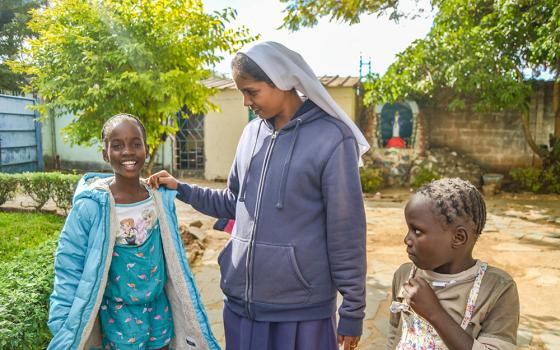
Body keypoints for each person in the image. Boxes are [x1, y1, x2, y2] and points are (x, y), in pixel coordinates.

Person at [149, 41, 370, 350]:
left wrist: (353, 309)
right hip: (242, 307)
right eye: (242, 92)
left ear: (282, 81)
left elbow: (346, 231)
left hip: (300, 312)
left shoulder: (332, 139)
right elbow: (232, 203)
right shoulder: (252, 134)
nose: (245, 102)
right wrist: (182, 189)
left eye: (251, 92)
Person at [47, 114, 219, 350]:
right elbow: (69, 262)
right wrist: (62, 318)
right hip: (118, 315)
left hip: (159, 307)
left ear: (146, 149)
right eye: (117, 146)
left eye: (136, 143)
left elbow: (172, 254)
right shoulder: (92, 206)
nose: (128, 151)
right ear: (105, 154)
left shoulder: (158, 199)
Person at [387, 178, 519, 350]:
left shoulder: (497, 288)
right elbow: (394, 333)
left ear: (458, 238)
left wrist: (434, 312)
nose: (407, 240)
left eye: (417, 231)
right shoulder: (405, 275)